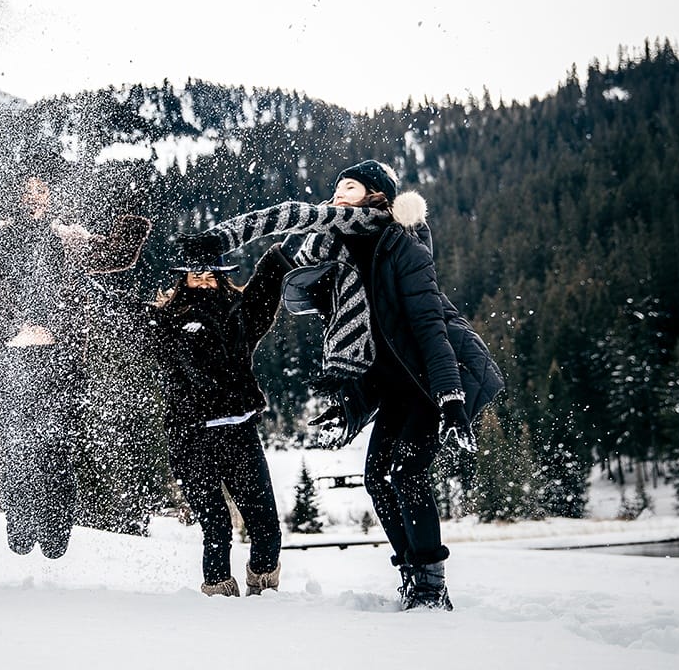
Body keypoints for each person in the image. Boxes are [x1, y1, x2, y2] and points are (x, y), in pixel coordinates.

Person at [179, 160, 502, 610]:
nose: (335, 195)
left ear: (376, 198)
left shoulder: (402, 246)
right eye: (334, 188)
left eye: (347, 188)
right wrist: (353, 402)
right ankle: (412, 574)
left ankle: (430, 587)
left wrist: (451, 399)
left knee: (406, 474)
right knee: (377, 478)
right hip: (397, 385)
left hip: (439, 377)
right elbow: (370, 344)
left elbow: (431, 329)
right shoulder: (334, 250)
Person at [0, 153, 151, 559]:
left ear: (52, 197)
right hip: (11, 357)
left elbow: (118, 255)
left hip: (57, 357)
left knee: (56, 444)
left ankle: (54, 531)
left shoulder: (68, 238)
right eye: (27, 191)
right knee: (16, 445)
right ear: (13, 197)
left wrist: (129, 211)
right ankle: (19, 525)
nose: (35, 197)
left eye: (42, 190)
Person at [147, 247, 292, 597]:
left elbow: (268, 281)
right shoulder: (164, 323)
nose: (204, 283)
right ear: (183, 280)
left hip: (239, 432)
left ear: (222, 278)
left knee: (266, 526)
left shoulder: (240, 314)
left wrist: (283, 254)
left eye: (211, 275)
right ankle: (217, 599)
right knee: (216, 527)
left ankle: (264, 590)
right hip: (190, 439)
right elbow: (122, 313)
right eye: (196, 276)